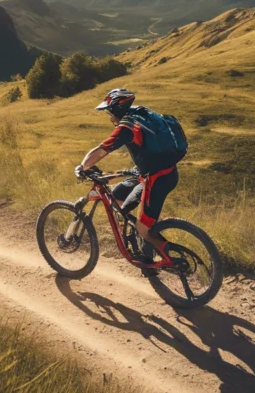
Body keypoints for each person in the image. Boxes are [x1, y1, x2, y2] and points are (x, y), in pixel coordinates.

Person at [75, 89, 186, 276]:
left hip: (158, 179)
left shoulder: (126, 128)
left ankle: (170, 259)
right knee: (117, 196)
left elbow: (103, 149)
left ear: (117, 110)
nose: (110, 117)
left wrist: (83, 166)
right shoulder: (141, 113)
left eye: (110, 113)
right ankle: (142, 251)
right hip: (155, 172)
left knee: (144, 228)